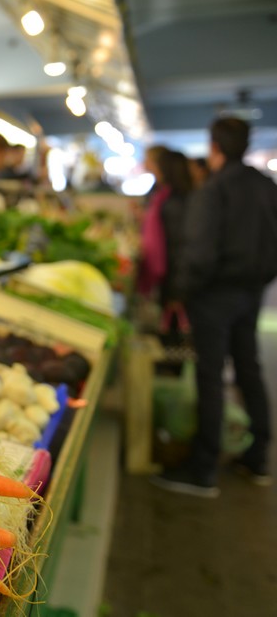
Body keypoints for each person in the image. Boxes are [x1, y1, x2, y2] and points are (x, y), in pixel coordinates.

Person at [152, 117, 277, 497]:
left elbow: (199, 252)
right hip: (252, 292)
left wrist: (182, 292)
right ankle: (257, 457)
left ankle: (203, 468)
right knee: (248, 368)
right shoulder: (266, 186)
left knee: (210, 375)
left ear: (214, 146)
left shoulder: (214, 189)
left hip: (214, 295)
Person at [137, 146, 194, 343]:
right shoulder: (167, 197)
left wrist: (176, 289)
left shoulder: (173, 202)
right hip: (172, 274)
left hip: (174, 275)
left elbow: (179, 245)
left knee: (172, 329)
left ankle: (172, 355)